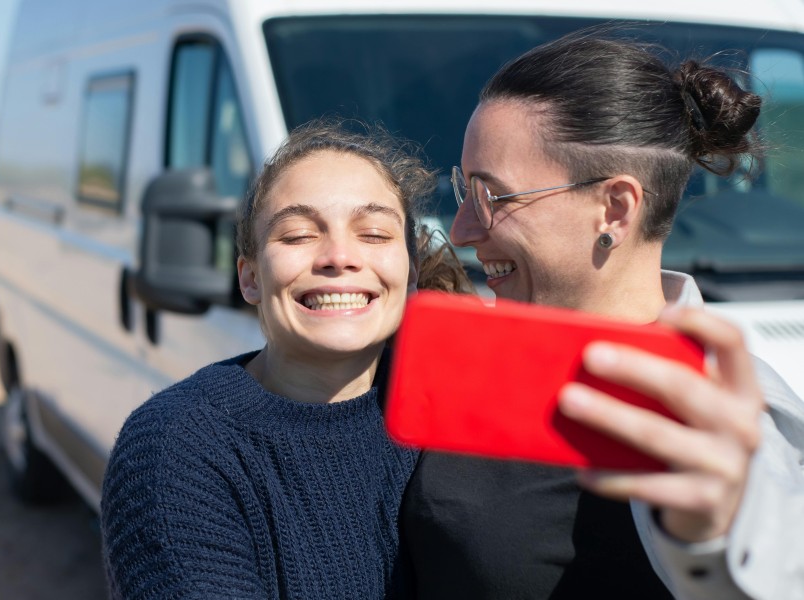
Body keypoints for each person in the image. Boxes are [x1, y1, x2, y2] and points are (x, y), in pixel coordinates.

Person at [401, 31, 804, 599]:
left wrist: (715, 540)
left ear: (614, 208)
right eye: (463, 191)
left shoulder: (729, 414)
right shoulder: (475, 366)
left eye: (492, 197)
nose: (463, 230)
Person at [100, 118, 469, 598]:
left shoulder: (458, 415)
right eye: (297, 235)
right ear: (250, 278)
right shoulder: (178, 446)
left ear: (411, 272)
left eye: (374, 234)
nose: (339, 256)